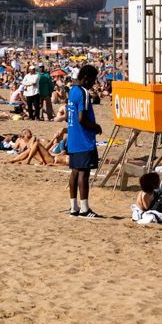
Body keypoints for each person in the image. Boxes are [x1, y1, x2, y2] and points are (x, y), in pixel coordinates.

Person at [65, 65, 102, 218]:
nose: (94, 82)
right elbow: (81, 118)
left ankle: (74, 207)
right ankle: (85, 209)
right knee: (84, 174)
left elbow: (70, 115)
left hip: (73, 137)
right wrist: (96, 127)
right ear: (87, 78)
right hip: (84, 139)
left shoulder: (72, 90)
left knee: (74, 172)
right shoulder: (83, 93)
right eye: (93, 79)